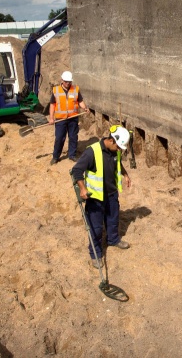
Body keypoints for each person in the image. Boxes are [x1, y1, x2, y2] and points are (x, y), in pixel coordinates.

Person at [70, 125, 132, 268]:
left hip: (111, 193)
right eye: (119, 147)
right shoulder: (92, 152)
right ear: (111, 140)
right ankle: (96, 254)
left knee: (113, 219)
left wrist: (125, 174)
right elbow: (76, 170)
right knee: (96, 227)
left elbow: (118, 163)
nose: (119, 150)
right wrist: (82, 188)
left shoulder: (115, 151)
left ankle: (113, 240)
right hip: (95, 198)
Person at [49, 71, 86, 165]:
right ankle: (56, 157)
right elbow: (52, 105)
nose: (68, 83)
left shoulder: (75, 89)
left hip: (73, 118)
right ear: (62, 80)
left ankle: (72, 155)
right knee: (59, 138)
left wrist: (85, 108)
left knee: (73, 137)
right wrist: (51, 118)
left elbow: (80, 101)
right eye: (66, 81)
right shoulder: (56, 90)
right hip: (60, 119)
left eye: (69, 81)